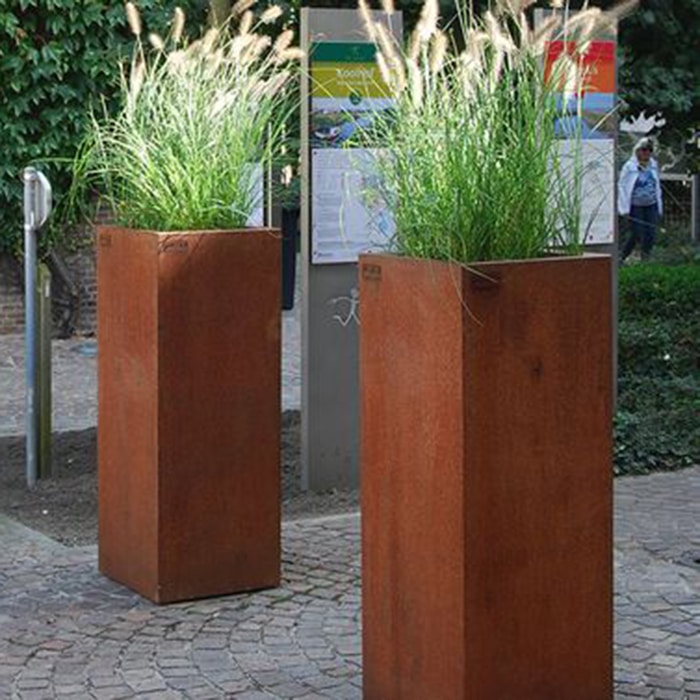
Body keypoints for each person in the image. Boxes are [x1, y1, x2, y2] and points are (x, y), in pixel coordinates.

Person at [618, 136, 663, 262]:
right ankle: (623, 255)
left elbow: (657, 186)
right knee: (637, 232)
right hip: (635, 205)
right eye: (644, 150)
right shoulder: (629, 167)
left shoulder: (653, 165)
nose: (646, 153)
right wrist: (623, 208)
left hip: (651, 204)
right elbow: (622, 186)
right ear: (637, 151)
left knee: (651, 233)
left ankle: (645, 257)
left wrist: (659, 206)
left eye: (649, 150)